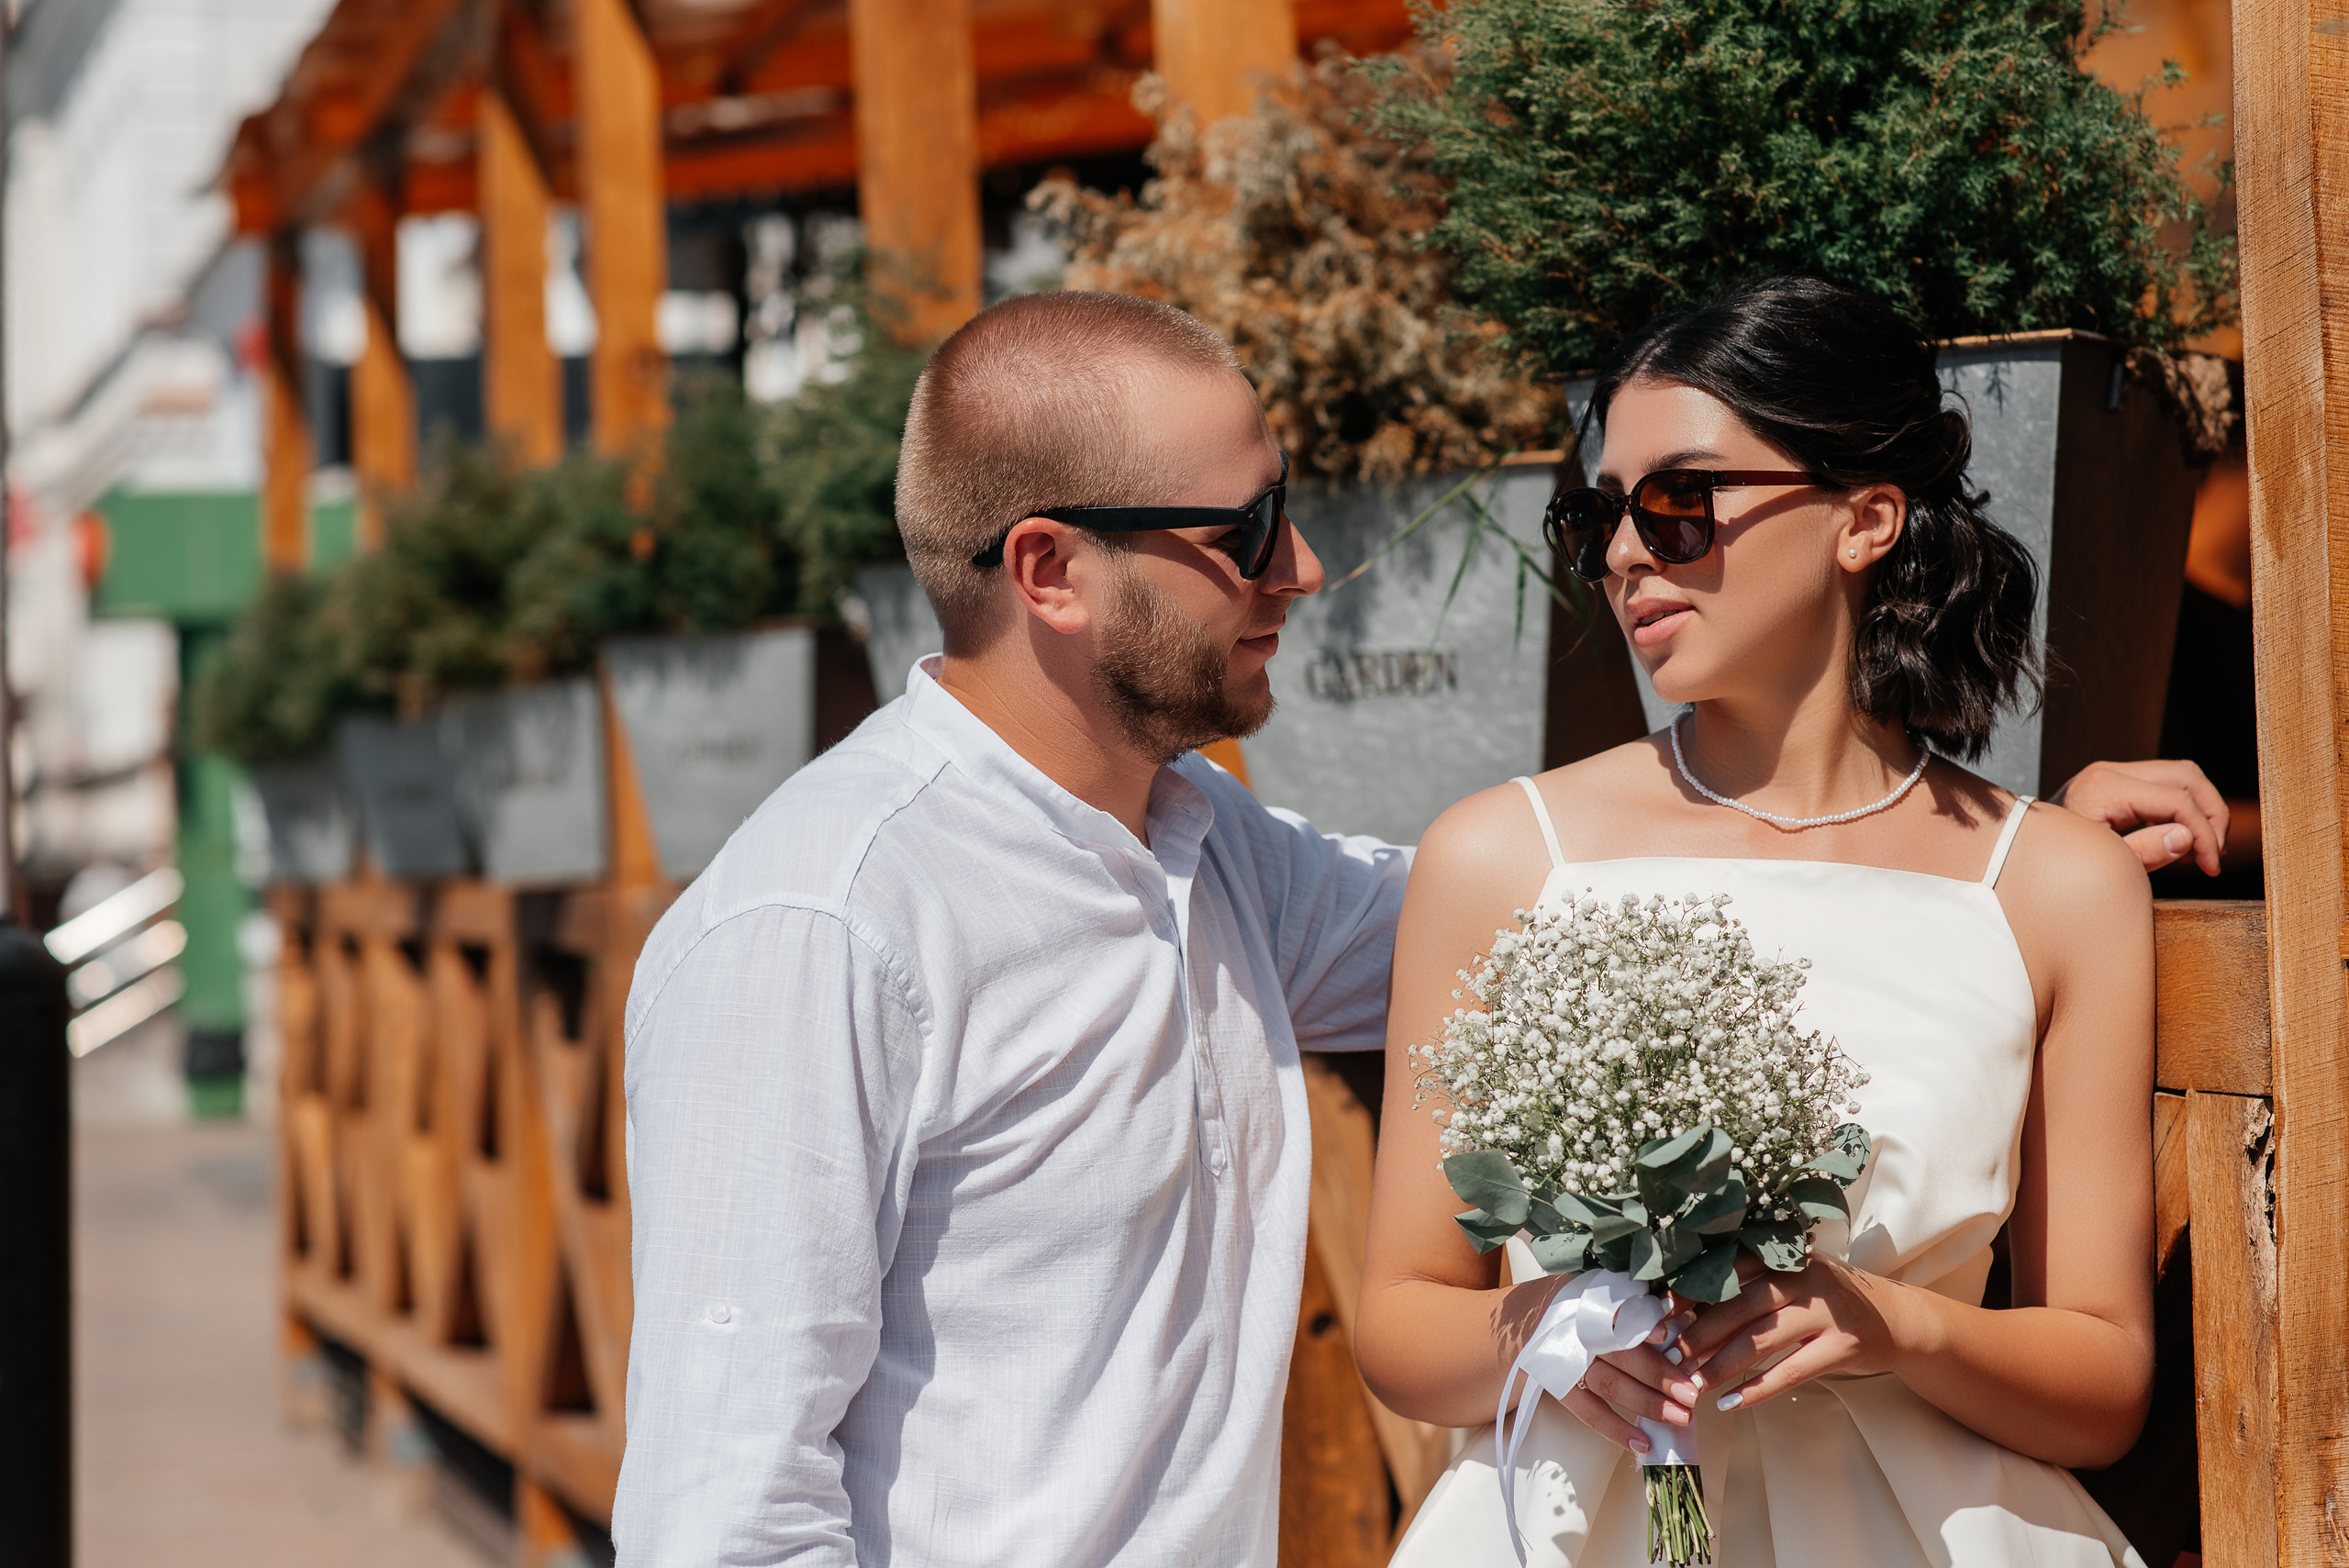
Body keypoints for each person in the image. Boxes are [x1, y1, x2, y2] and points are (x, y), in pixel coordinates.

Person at [1357, 276, 2154, 1566]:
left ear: (1864, 519)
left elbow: (2105, 1379)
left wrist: (1895, 1324)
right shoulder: (1499, 856)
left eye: (1680, 503)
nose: (1626, 554)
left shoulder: (2059, 885)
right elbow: (1401, 1316)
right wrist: (1560, 1329)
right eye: (1598, 516)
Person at [611, 291, 1410, 1566]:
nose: (1301, 567)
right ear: (1051, 572)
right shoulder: (822, 923)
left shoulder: (1204, 845)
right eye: (1248, 529)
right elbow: (726, 1517)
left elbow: (1503, 922)